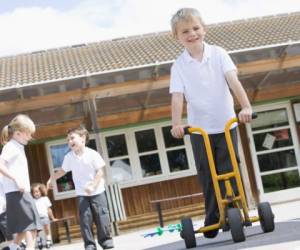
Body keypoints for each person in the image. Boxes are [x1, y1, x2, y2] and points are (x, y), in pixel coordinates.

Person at [169, 8, 253, 238]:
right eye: (185, 31)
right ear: (177, 37)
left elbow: (233, 81)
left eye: (196, 28)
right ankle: (214, 215)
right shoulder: (179, 66)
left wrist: (245, 107)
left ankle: (236, 210)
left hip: (226, 124)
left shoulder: (219, 54)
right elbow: (177, 97)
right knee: (207, 173)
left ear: (203, 29)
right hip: (199, 130)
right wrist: (176, 123)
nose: (192, 33)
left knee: (230, 169)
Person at [47, 126, 113, 250]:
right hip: (82, 194)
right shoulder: (69, 157)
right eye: (68, 140)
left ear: (82, 138)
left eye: (72, 138)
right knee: (85, 220)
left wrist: (93, 185)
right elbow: (62, 171)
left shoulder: (92, 154)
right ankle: (89, 245)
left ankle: (106, 243)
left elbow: (100, 172)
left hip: (97, 192)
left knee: (102, 217)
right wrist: (52, 178)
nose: (70, 141)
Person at [0, 114, 42, 250]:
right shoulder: (11, 147)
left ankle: (12, 248)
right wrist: (16, 179)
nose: (30, 137)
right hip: (17, 192)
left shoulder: (17, 146)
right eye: (28, 134)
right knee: (33, 224)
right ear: (17, 133)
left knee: (24, 227)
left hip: (19, 192)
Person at [31, 183, 57, 249]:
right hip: (36, 219)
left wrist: (52, 218)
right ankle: (39, 241)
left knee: (47, 229)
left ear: (41, 191)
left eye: (37, 191)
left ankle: (48, 240)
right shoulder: (32, 201)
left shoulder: (45, 198)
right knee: (36, 231)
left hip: (44, 217)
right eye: (34, 192)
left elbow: (49, 209)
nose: (36, 193)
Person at [0, 175, 13, 249]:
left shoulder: (2, 177)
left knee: (7, 229)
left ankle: (14, 246)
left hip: (2, 209)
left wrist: (7, 202)